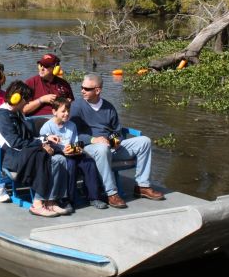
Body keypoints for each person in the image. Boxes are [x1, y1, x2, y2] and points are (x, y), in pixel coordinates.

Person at [70, 72, 165, 209]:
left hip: (110, 147)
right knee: (102, 149)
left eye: (87, 89)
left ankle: (142, 186)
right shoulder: (76, 106)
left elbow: (117, 132)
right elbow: (73, 134)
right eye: (82, 87)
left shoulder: (109, 107)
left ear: (97, 90)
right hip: (88, 148)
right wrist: (93, 139)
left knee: (145, 141)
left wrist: (115, 142)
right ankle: (111, 193)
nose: (82, 91)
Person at [0, 80, 70, 217]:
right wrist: (40, 145)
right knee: (42, 156)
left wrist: (45, 139)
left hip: (21, 152)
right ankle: (37, 203)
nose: (27, 104)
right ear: (17, 98)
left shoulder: (17, 113)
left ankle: (51, 201)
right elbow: (15, 143)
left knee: (58, 157)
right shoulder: (2, 116)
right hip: (6, 156)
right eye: (26, 100)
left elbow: (26, 139)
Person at [39, 97, 108, 210]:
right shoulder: (48, 127)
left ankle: (94, 197)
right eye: (63, 111)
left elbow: (75, 142)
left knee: (88, 162)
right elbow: (45, 145)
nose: (66, 114)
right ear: (54, 112)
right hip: (57, 154)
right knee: (70, 165)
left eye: (68, 111)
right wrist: (61, 150)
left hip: (71, 152)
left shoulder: (71, 125)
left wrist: (78, 149)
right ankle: (67, 200)